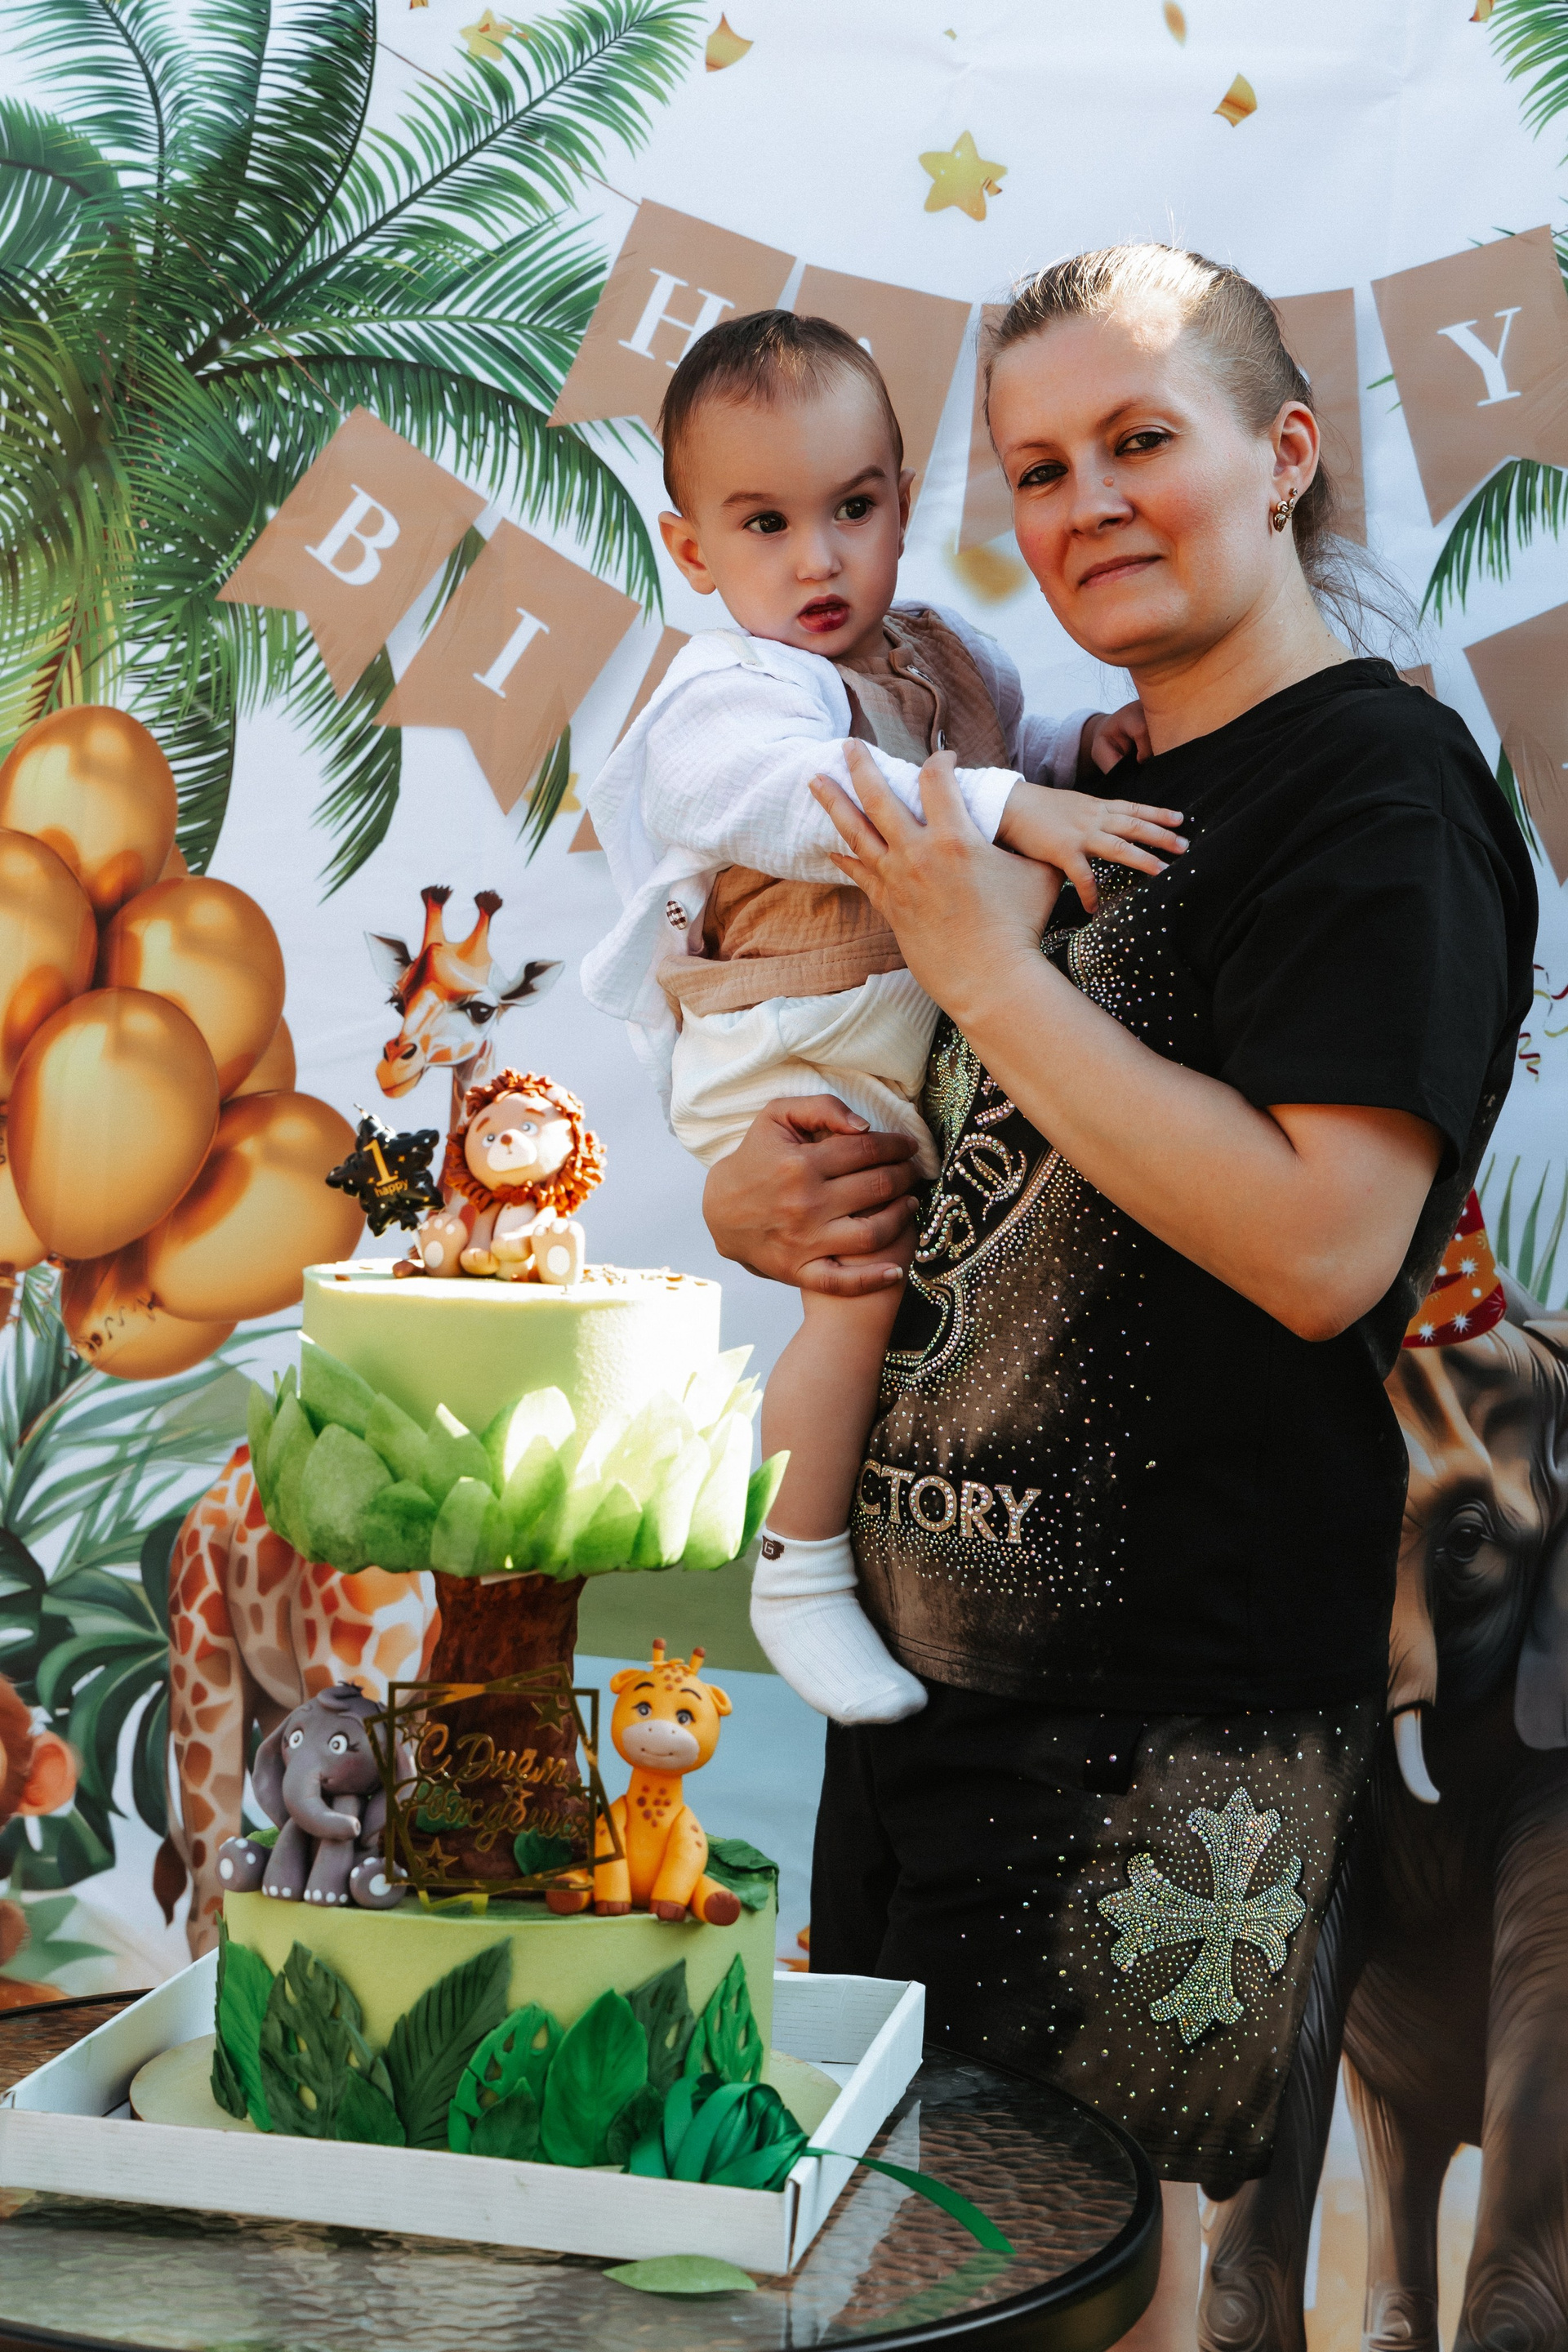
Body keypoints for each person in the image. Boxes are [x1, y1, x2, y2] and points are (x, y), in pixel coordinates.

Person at [701, 245, 1535, 2348]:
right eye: (1039, 468)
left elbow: (1322, 1245)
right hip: (925, 1694)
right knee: (900, 2290)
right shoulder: (1084, 792)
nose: (1085, 506)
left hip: (1163, 1734)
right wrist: (768, 1200)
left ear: (1286, 453)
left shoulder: (1376, 792)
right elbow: (998, 1169)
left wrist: (983, 967)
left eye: (1140, 440)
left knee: (1095, 2303)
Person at [583, 310, 1181, 1729]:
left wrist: (1072, 752)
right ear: (692, 551)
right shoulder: (727, 692)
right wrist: (1013, 807)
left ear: (904, 504)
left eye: (853, 510)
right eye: (766, 524)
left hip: (893, 1023)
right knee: (856, 1285)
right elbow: (806, 796)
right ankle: (793, 1571)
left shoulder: (955, 654)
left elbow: (990, 752)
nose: (819, 560)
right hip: (791, 1041)